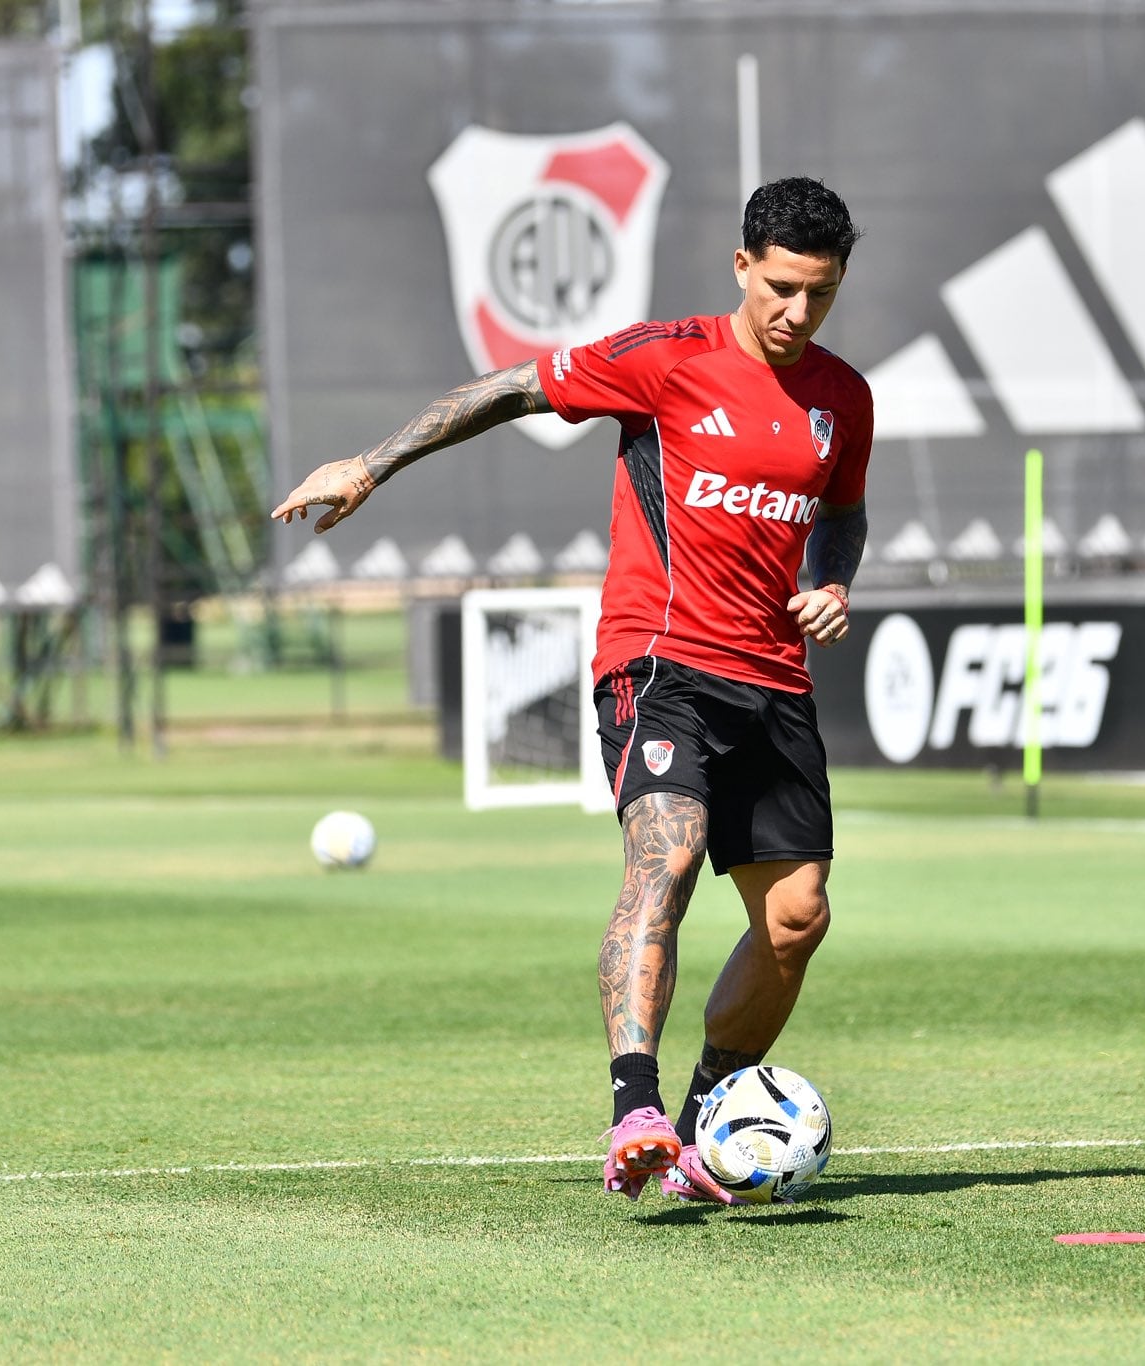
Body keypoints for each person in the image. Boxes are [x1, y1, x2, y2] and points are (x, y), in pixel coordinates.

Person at [273, 177, 871, 1205]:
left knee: (797, 918)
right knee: (667, 854)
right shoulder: (666, 359)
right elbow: (509, 390)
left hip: (773, 679)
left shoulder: (842, 397)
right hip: (659, 662)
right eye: (780, 287)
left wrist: (832, 579)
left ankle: (700, 1130)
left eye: (819, 293)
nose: (796, 310)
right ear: (742, 266)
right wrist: (371, 465)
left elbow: (844, 510)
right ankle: (633, 1108)